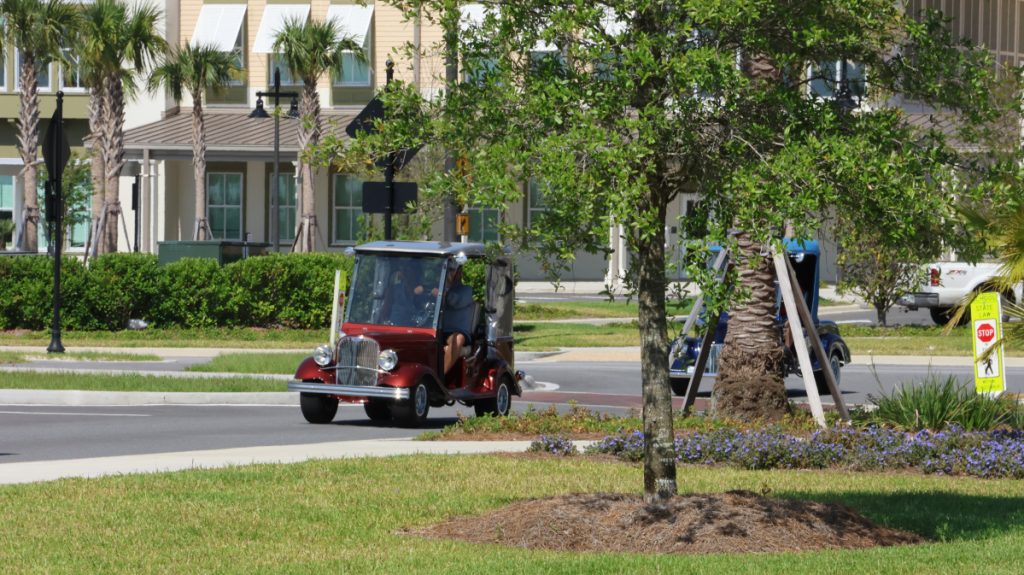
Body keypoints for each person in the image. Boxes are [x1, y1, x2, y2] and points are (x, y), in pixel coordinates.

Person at [441, 263, 475, 375]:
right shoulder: (439, 290)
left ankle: (441, 376)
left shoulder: (467, 290)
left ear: (459, 272)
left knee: (458, 339)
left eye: (451, 270)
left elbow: (455, 302)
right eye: (446, 270)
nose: (448, 273)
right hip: (439, 330)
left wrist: (444, 291)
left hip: (458, 331)